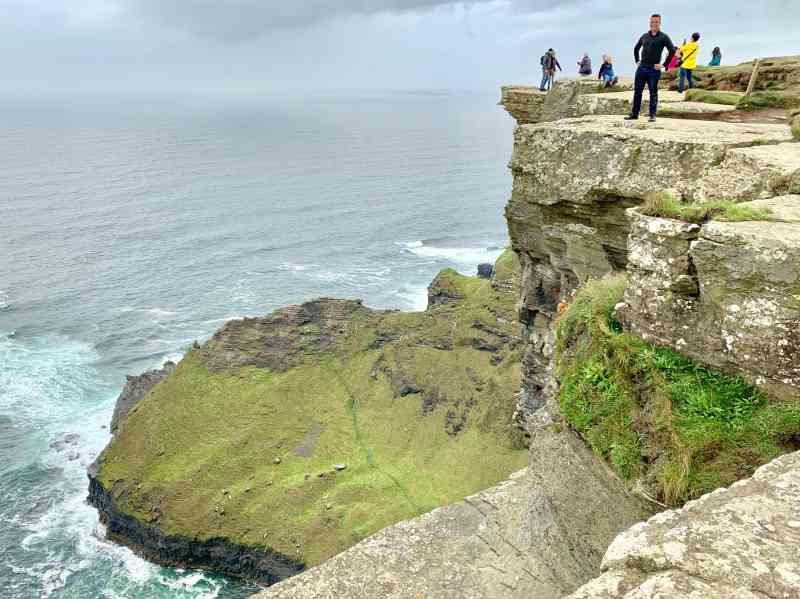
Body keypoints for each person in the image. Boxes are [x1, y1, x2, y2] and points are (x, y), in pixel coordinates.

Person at [626, 14, 676, 123]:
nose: (654, 24)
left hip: (654, 70)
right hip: (642, 68)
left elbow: (672, 51)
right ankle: (635, 114)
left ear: (660, 23)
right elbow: (636, 48)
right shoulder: (645, 36)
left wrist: (664, 65)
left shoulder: (664, 37)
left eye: (656, 22)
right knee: (637, 92)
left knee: (653, 93)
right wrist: (637, 60)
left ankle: (652, 115)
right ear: (650, 23)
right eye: (652, 22)